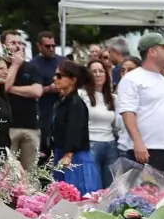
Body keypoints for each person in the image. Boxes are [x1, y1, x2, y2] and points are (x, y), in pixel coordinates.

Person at [116, 33, 164, 172]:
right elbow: (128, 113)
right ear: (152, 51)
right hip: (144, 151)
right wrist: (138, 142)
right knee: (142, 193)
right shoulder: (131, 79)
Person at [0, 30, 45, 173]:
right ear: (3, 45)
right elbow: (5, 85)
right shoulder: (0, 66)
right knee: (8, 172)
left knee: (30, 172)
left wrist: (12, 89)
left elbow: (37, 91)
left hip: (31, 126)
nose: (17, 46)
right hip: (10, 127)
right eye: (12, 43)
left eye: (19, 43)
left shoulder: (31, 67)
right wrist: (15, 66)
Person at [49, 60, 102, 191]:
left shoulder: (76, 103)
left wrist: (69, 153)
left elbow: (75, 129)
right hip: (61, 153)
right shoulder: (61, 102)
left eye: (59, 76)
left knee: (76, 194)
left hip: (74, 157)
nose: (55, 78)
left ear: (72, 80)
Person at [81, 58, 120, 187]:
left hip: (110, 145)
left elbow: (117, 125)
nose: (98, 74)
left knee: (111, 188)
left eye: (101, 71)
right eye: (94, 71)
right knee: (92, 187)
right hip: (90, 143)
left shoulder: (113, 98)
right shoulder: (81, 94)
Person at [29, 31, 62, 158]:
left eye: (53, 45)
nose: (51, 49)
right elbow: (31, 90)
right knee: (44, 149)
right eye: (48, 46)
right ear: (39, 46)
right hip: (42, 111)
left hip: (61, 108)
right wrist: (48, 89)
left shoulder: (62, 61)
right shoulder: (33, 64)